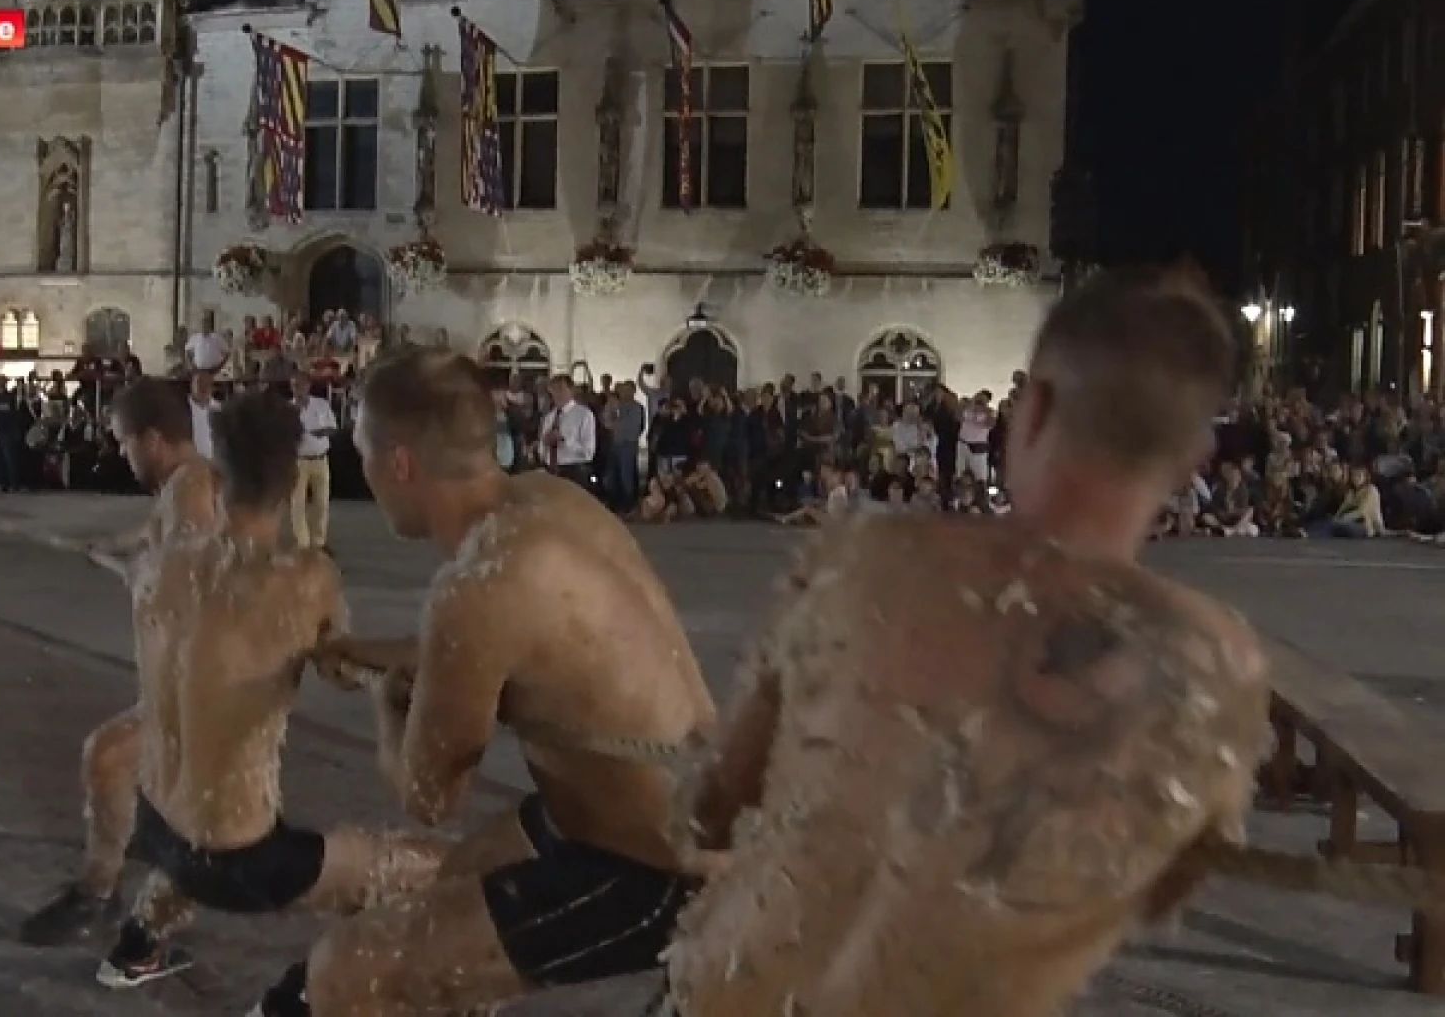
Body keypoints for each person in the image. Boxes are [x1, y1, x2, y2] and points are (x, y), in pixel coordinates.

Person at [664, 267, 1273, 1017]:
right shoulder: (1214, 668)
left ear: (1035, 407)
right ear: (1190, 464)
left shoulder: (862, 557)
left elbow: (718, 800)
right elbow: (1156, 884)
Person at [257, 346, 716, 1017]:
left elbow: (429, 796)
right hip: (661, 816)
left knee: (351, 971)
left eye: (365, 454)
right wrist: (366, 651)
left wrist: (389, 706)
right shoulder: (550, 501)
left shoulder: (477, 586)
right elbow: (498, 653)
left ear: (401, 464)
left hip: (658, 870)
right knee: (451, 886)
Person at [108, 387, 448, 993]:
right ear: (294, 483)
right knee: (439, 872)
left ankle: (136, 947)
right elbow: (340, 670)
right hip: (240, 858)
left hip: (155, 824)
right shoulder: (308, 578)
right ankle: (300, 998)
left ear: (216, 473)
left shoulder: (157, 567)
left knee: (193, 839)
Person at [18, 376, 222, 959]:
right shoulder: (186, 483)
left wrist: (132, 571)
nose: (122, 454)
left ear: (154, 439)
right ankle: (118, 881)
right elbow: (159, 533)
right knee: (135, 777)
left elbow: (186, 580)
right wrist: (112, 542)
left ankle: (104, 897)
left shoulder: (194, 489)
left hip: (198, 686)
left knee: (109, 757)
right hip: (179, 680)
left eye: (125, 442)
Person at [289, 370, 337, 553]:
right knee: (297, 503)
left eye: (300, 385)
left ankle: (319, 542)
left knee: (321, 502)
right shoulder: (289, 409)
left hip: (320, 458)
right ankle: (302, 543)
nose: (297, 389)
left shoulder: (321, 405)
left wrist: (322, 432)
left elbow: (332, 428)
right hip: (299, 460)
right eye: (294, 385)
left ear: (308, 385)